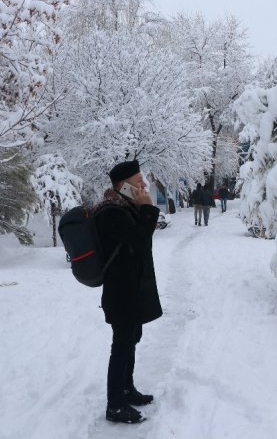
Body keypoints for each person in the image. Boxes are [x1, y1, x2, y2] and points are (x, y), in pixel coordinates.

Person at [94, 160, 163, 424]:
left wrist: (142, 207)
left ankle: (127, 389)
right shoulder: (111, 212)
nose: (144, 186)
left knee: (132, 339)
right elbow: (140, 241)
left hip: (130, 290)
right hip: (120, 294)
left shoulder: (124, 208)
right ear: (123, 187)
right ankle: (115, 405)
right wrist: (147, 207)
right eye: (138, 183)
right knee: (121, 347)